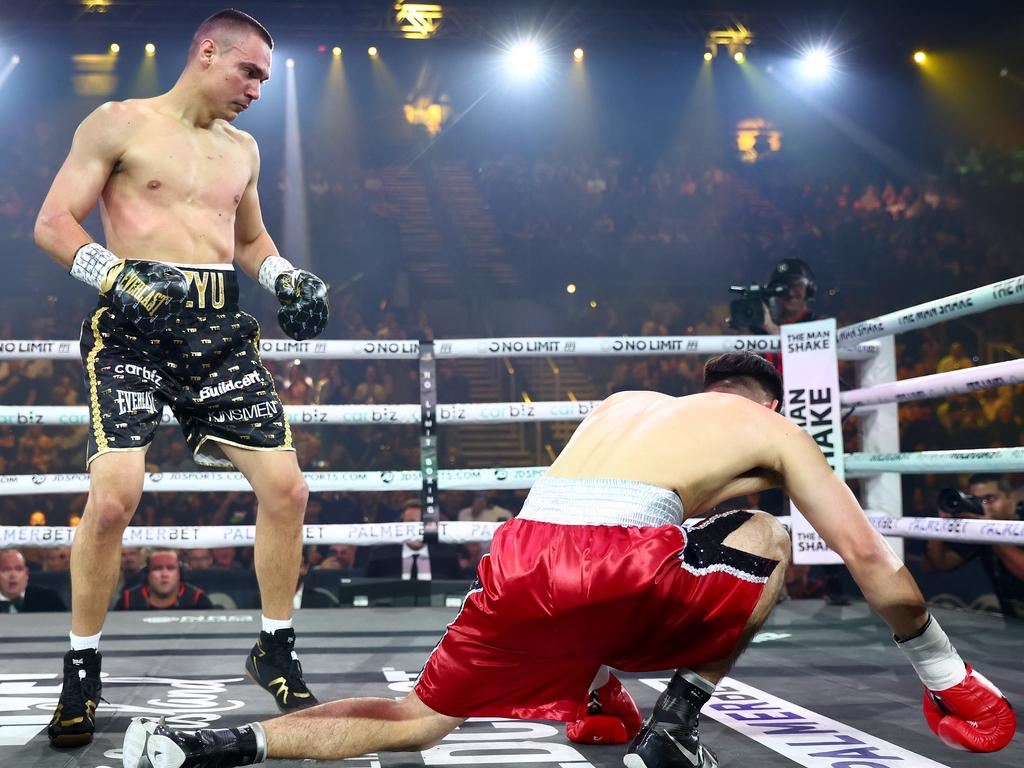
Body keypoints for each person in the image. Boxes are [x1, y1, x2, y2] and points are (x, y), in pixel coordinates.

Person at [123, 352, 1016, 767]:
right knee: (769, 539)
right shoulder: (769, 426)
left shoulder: (626, 402)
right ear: (765, 401)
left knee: (416, 718)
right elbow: (867, 558)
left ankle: (211, 747)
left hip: (519, 556)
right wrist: (946, 676)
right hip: (619, 562)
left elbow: (579, 539)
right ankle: (672, 728)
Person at [33, 9, 328, 747]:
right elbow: (53, 222)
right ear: (206, 52)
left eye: (263, 77)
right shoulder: (118, 123)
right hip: (133, 332)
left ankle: (276, 646)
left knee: (288, 490)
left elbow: (251, 240)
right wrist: (116, 275)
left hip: (219, 334)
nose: (258, 89)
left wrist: (287, 278)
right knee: (113, 500)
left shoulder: (245, 148)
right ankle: (81, 668)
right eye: (249, 71)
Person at [923, 474, 1024, 619]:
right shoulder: (978, 527)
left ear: (1012, 500)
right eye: (976, 500)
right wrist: (941, 525)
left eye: (990, 499)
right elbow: (939, 564)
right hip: (1014, 623)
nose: (984, 506)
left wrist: (988, 531)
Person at [364, 500, 462, 580]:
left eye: (422, 522)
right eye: (411, 522)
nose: (417, 529)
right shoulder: (381, 555)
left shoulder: (447, 555)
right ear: (401, 525)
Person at [116, 549, 214, 611]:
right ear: (147, 573)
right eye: (157, 568)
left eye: (170, 568)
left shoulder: (198, 600)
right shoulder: (128, 600)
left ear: (180, 572)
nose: (164, 574)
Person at [0, 549, 67, 613]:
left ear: (26, 574)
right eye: (6, 570)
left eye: (19, 569)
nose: (13, 575)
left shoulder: (49, 598)